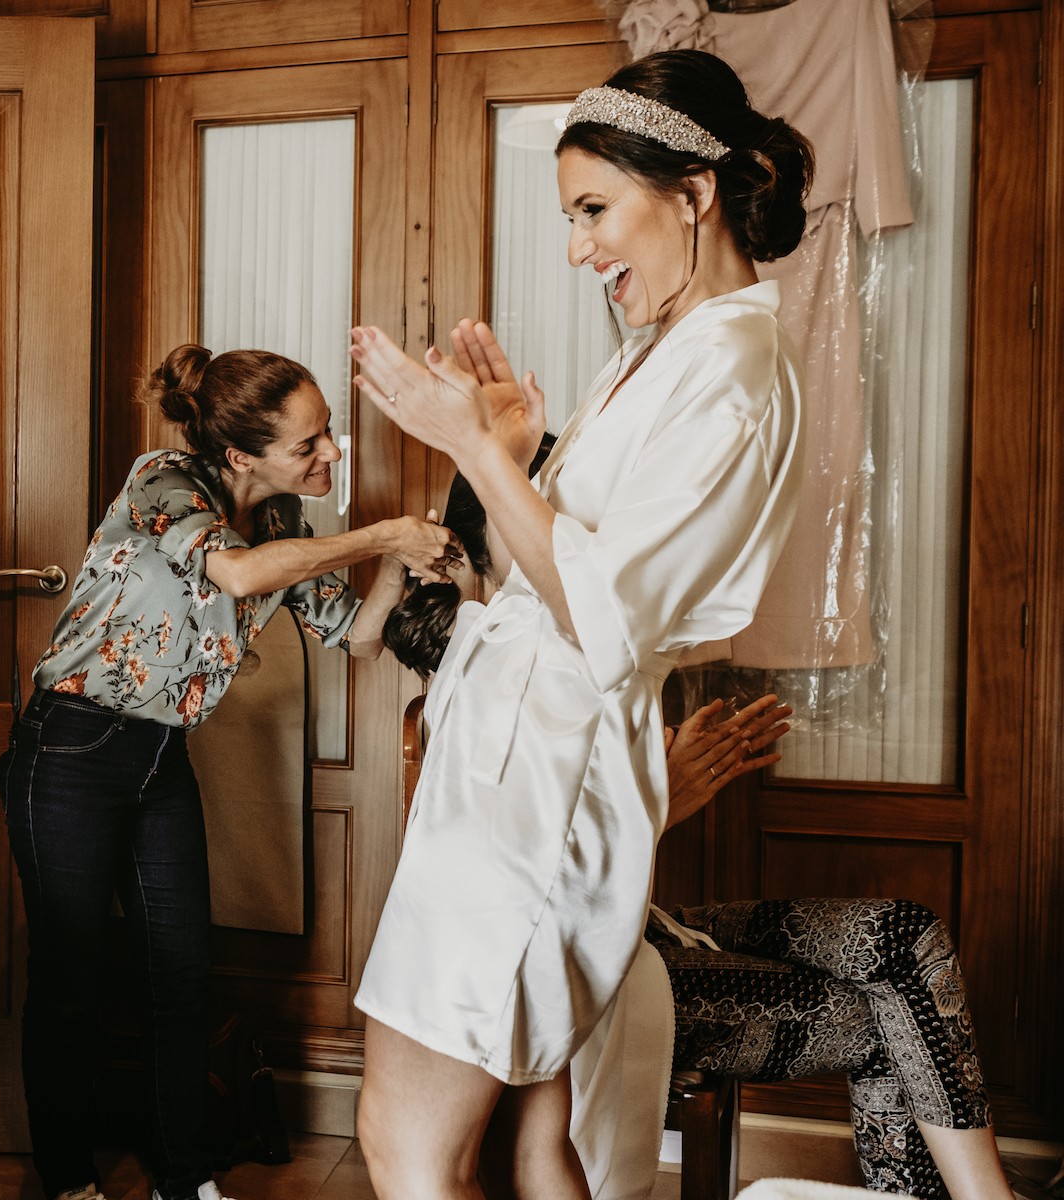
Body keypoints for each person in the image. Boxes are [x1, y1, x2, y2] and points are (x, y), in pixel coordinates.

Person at [347, 49, 813, 1198]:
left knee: (406, 1147)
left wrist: (465, 450)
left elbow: (601, 612)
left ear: (694, 192)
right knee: (535, 1140)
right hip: (512, 778)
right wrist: (510, 462)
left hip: (537, 799)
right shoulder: (661, 356)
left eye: (594, 210)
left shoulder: (734, 371)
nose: (578, 249)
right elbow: (542, 573)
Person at [386, 478, 1021, 1200]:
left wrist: (655, 790)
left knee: (908, 934)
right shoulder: (490, 682)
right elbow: (516, 904)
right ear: (476, 551)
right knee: (889, 1017)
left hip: (654, 931)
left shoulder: (572, 656)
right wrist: (654, 802)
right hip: (589, 974)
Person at [0, 344, 458, 1200]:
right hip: (70, 752)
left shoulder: (284, 520)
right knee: (73, 980)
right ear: (240, 454)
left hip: (160, 758)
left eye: (330, 436)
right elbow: (234, 571)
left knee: (182, 974)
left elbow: (355, 637)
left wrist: (395, 566)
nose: (330, 456)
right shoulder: (164, 480)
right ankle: (66, 1180)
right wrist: (385, 532)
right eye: (309, 444)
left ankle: (185, 1180)